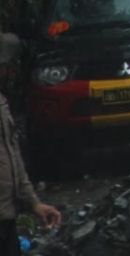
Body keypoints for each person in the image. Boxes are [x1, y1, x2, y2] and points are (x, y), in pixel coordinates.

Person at [0, 35, 61, 255]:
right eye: (7, 66)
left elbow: (12, 157)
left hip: (6, 217)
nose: (10, 72)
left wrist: (33, 203)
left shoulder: (2, 103)